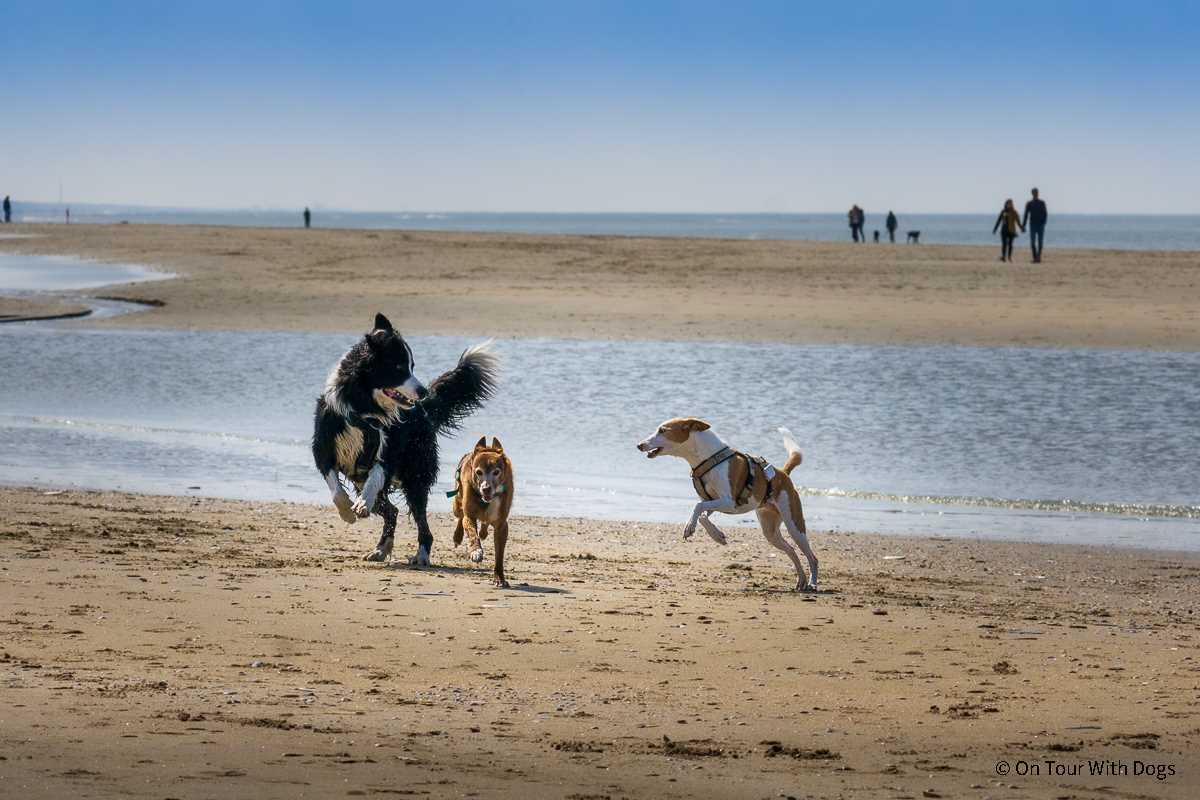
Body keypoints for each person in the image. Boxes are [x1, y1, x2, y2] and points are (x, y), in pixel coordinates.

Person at [1022, 188, 1048, 263]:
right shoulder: (1029, 203)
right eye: (1034, 192)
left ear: (1038, 193)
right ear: (1032, 193)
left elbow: (1045, 213)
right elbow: (1026, 215)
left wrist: (1044, 222)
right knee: (1032, 242)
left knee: (1040, 241)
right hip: (1032, 225)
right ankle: (1035, 258)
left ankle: (1038, 257)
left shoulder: (1042, 202)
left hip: (1040, 225)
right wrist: (1023, 225)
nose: (1036, 194)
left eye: (1037, 192)